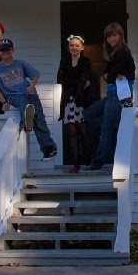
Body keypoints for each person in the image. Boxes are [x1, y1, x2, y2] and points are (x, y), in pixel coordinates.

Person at [0, 38, 58, 159]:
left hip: (29, 93)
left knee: (40, 119)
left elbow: (35, 74)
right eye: (2, 50)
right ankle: (27, 121)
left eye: (8, 50)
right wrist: (3, 102)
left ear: (13, 50)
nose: (5, 53)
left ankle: (48, 148)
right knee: (23, 103)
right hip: (13, 96)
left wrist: (31, 86)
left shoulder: (20, 63)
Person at [83, 23, 136, 171]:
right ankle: (113, 125)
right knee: (87, 114)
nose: (111, 38)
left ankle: (97, 163)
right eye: (109, 36)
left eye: (114, 35)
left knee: (105, 132)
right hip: (112, 94)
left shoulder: (123, 53)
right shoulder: (113, 54)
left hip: (119, 95)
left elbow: (112, 75)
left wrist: (109, 75)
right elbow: (107, 74)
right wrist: (109, 75)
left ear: (120, 35)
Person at [56, 35, 99, 173]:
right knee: (72, 134)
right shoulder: (64, 61)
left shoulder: (86, 61)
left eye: (76, 45)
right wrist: (77, 82)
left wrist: (76, 82)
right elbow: (60, 78)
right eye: (71, 45)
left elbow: (84, 78)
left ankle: (89, 161)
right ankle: (76, 164)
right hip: (68, 102)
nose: (74, 48)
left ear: (82, 47)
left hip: (81, 102)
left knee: (84, 132)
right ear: (69, 47)